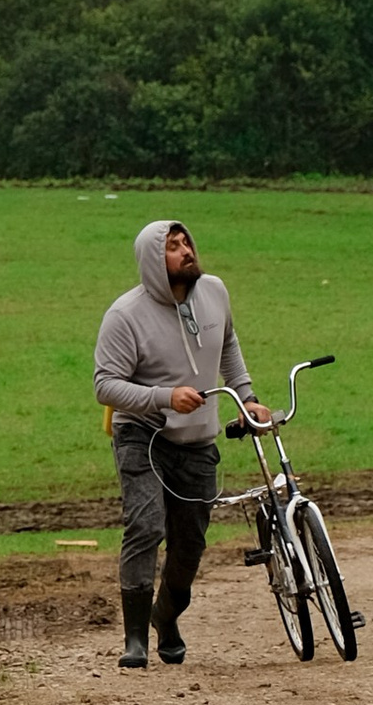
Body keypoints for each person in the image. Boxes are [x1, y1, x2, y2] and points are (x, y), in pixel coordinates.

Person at [93, 217, 267, 672]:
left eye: (187, 241)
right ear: (154, 261)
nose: (187, 250)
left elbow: (227, 344)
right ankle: (135, 639)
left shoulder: (215, 291)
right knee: (147, 526)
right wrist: (163, 397)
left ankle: (165, 618)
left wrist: (247, 396)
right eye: (173, 246)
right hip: (142, 434)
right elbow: (105, 386)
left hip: (197, 438)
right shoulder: (124, 315)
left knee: (190, 544)